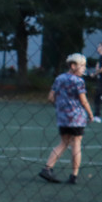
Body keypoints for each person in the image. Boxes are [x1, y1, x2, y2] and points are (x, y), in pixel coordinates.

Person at [39, 53, 94, 185]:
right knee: (76, 143)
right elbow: (83, 100)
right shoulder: (79, 81)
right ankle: (74, 175)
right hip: (77, 117)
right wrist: (90, 114)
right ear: (73, 65)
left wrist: (60, 106)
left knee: (63, 142)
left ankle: (48, 168)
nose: (83, 69)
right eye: (81, 66)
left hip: (63, 117)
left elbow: (51, 97)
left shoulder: (60, 78)